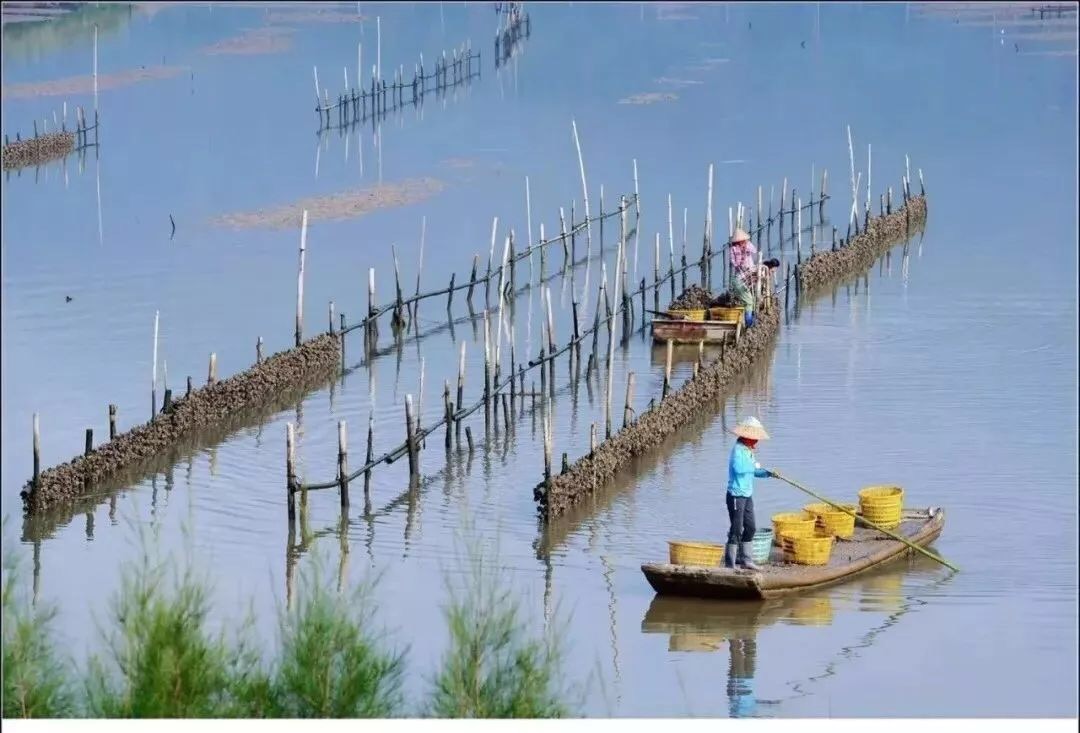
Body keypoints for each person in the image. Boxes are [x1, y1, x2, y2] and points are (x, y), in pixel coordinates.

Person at [725, 416, 775, 570]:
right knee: (736, 529)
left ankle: (746, 560)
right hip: (735, 495)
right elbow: (739, 469)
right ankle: (730, 565)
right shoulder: (738, 450)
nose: (756, 442)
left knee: (751, 527)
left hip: (747, 495)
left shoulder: (748, 451)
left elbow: (754, 471)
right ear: (747, 437)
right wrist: (754, 467)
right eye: (754, 438)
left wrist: (767, 473)